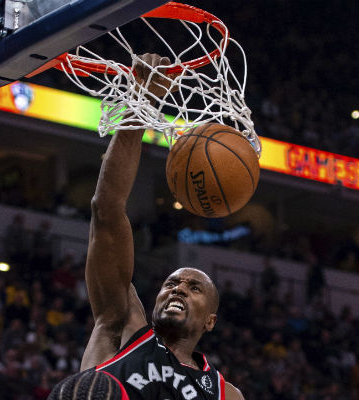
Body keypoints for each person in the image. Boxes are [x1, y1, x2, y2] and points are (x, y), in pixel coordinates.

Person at [49, 54, 244, 399]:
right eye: (172, 283)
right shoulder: (122, 324)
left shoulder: (225, 394)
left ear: (210, 322)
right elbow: (106, 210)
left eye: (194, 288)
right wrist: (143, 102)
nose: (178, 289)